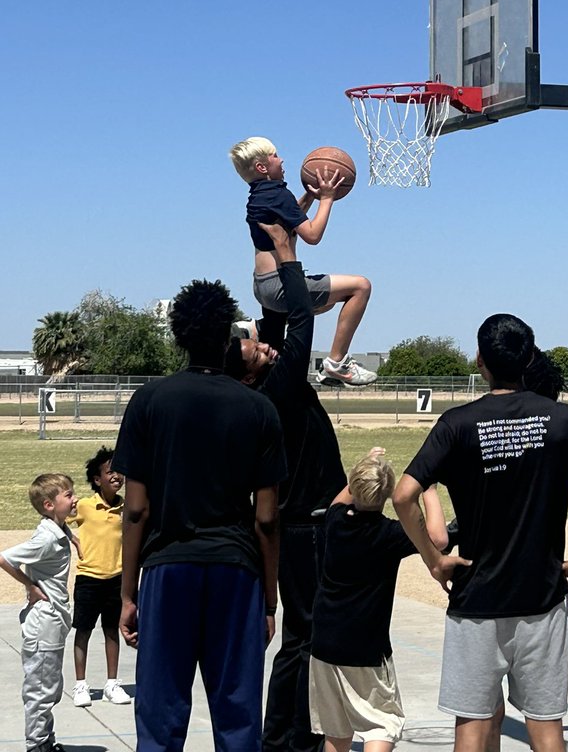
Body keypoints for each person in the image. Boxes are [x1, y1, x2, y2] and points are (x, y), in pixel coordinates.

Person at [394, 314, 568, 752]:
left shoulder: (456, 423)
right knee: (546, 731)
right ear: (529, 357)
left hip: (476, 600)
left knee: (471, 729)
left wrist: (435, 562)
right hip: (542, 598)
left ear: (480, 360)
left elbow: (403, 497)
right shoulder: (562, 420)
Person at [112, 277, 287, 752]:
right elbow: (267, 518)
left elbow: (135, 510)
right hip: (235, 571)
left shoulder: (149, 401)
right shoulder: (259, 409)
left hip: (169, 568)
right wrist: (268, 602)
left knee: (160, 712)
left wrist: (129, 594)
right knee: (237, 714)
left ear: (178, 336)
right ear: (226, 336)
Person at [224, 220, 347, 752]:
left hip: (303, 525)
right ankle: (292, 740)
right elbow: (297, 315)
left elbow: (275, 317)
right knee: (306, 637)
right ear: (251, 373)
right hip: (309, 527)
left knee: (303, 637)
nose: (263, 345)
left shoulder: (261, 386)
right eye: (255, 350)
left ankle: (284, 737)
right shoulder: (281, 386)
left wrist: (274, 228)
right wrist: (285, 249)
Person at [309, 450, 454, 752]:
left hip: (323, 643)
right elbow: (439, 538)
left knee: (336, 734)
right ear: (388, 494)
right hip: (366, 649)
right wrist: (427, 488)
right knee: (381, 724)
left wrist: (366, 462)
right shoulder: (388, 534)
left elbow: (341, 499)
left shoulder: (334, 522)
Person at [229, 136, 376, 386]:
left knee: (325, 305)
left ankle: (259, 328)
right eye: (275, 156)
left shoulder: (259, 195)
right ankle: (336, 363)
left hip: (263, 285)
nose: (281, 159)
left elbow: (288, 219)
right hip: (281, 285)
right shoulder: (277, 194)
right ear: (262, 167)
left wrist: (309, 197)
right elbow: (312, 235)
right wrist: (327, 199)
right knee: (360, 287)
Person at [0, 473, 79, 752]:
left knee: (51, 687)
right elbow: (5, 558)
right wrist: (30, 586)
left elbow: (59, 529)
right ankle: (37, 747)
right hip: (43, 623)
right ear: (48, 505)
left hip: (54, 622)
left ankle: (46, 740)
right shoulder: (45, 540)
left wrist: (73, 537)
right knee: (41, 691)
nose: (74, 498)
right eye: (68, 495)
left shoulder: (56, 530)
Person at [69, 446, 131, 708]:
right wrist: (72, 538)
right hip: (88, 579)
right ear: (97, 479)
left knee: (111, 631)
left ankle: (111, 684)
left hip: (116, 580)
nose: (116, 476)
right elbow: (58, 518)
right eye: (110, 472)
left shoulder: (128, 507)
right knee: (83, 631)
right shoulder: (84, 506)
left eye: (119, 471)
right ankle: (81, 685)